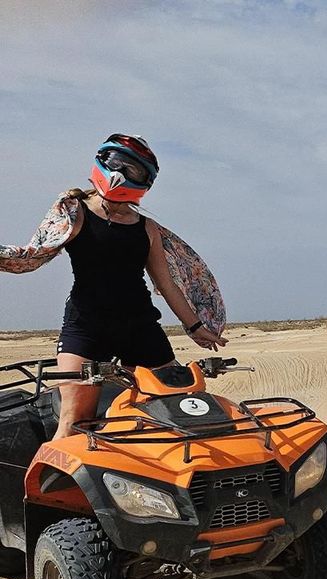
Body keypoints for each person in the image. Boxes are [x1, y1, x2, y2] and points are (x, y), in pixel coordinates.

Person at [1, 134, 227, 440]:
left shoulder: (146, 227)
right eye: (119, 164)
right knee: (74, 420)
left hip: (140, 327)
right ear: (104, 162)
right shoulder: (74, 211)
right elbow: (33, 254)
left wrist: (195, 325)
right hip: (86, 327)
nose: (123, 174)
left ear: (145, 181)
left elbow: (167, 284)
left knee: (175, 409)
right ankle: (39, 489)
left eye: (134, 170)